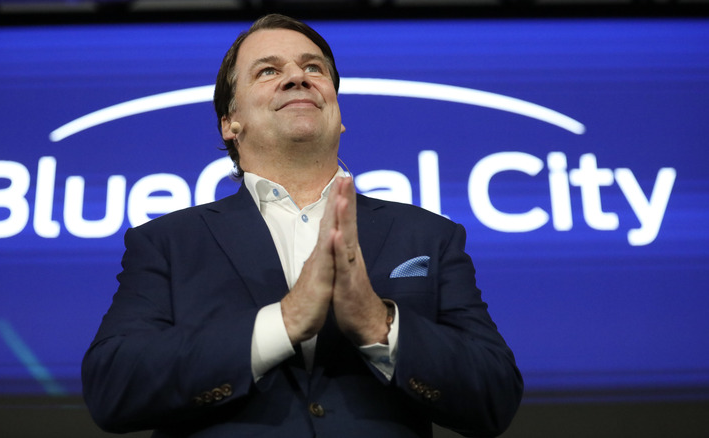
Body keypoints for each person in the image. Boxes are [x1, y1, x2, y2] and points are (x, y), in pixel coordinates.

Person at [82, 13, 523, 438]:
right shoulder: (168, 242)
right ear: (230, 123)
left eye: (313, 68)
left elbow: (496, 396)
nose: (297, 77)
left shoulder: (428, 235)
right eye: (268, 71)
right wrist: (284, 321)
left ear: (339, 114)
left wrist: (376, 324)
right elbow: (112, 388)